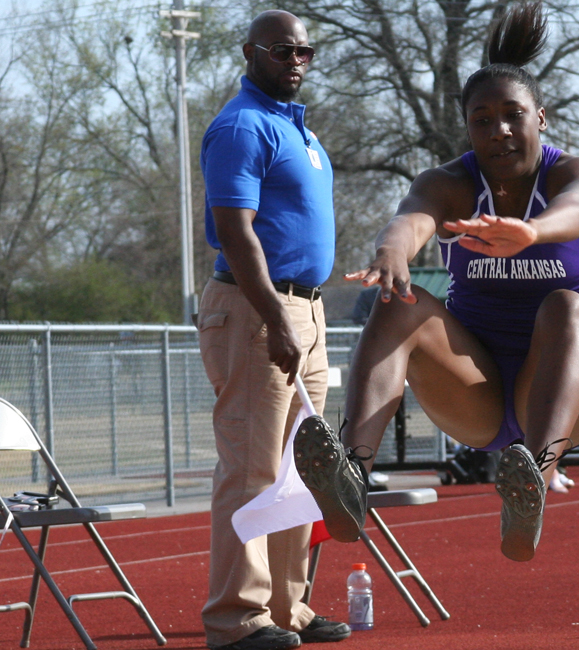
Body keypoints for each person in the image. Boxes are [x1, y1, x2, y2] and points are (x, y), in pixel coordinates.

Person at [293, 1, 579, 563]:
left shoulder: (576, 173)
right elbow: (411, 218)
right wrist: (391, 251)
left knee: (564, 306)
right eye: (482, 120)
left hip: (571, 391)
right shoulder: (451, 185)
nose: (500, 131)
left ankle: (534, 481)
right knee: (399, 302)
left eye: (514, 115)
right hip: (478, 390)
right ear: (467, 127)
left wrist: (531, 233)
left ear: (542, 116)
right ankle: (351, 475)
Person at [196, 10, 350, 650]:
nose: (296, 60)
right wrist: (274, 317)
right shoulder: (240, 127)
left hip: (307, 309)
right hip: (258, 310)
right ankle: (236, 619)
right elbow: (237, 231)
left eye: (305, 51)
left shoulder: (300, 132)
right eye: (283, 50)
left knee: (302, 468)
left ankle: (289, 608)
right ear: (249, 52)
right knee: (253, 468)